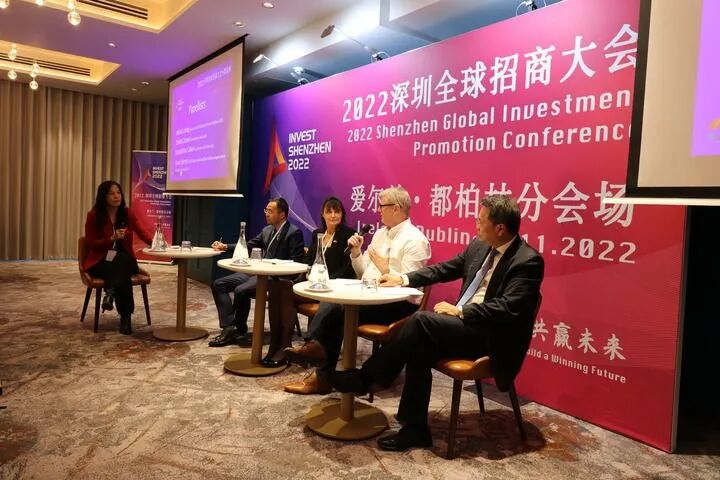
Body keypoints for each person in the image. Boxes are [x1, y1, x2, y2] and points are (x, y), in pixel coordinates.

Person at [326, 195, 544, 452]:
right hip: (465, 328)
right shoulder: (480, 246)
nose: (475, 223)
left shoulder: (527, 261)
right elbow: (443, 269)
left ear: (500, 228)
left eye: (480, 220)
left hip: (491, 337)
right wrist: (403, 279)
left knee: (421, 321)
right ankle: (415, 429)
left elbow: (508, 308)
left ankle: (365, 378)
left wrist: (461, 311)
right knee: (420, 345)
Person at [284, 186, 431, 394]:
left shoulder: (415, 240)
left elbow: (411, 286)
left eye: (382, 206)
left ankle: (318, 362)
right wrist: (356, 253)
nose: (378, 210)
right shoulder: (380, 234)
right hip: (369, 295)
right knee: (333, 300)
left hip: (396, 305)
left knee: (337, 310)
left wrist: (386, 269)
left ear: (396, 208)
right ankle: (317, 358)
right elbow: (364, 273)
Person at [264, 196, 356, 368]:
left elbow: (348, 267)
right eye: (329, 211)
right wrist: (307, 273)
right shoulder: (318, 234)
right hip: (314, 284)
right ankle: (278, 345)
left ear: (342, 214)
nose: (333, 215)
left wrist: (327, 280)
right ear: (323, 214)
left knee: (286, 290)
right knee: (280, 287)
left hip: (334, 287)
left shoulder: (348, 234)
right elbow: (309, 259)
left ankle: (302, 348)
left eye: (337, 211)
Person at [209, 197, 305, 347]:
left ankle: (239, 327)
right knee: (219, 284)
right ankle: (230, 326)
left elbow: (297, 263)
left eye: (270, 211)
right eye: (266, 210)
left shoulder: (294, 233)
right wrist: (225, 246)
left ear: (282, 214)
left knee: (241, 290)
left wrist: (277, 269)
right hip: (258, 273)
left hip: (277, 277)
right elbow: (249, 245)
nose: (266, 213)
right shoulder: (267, 230)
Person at [82, 180, 154, 335]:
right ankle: (125, 318)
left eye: (118, 193)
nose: (116, 196)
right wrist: (111, 239)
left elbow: (142, 231)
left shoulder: (127, 213)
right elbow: (91, 243)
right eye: (112, 193)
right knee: (122, 272)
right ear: (103, 196)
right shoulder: (94, 216)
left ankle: (110, 293)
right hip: (102, 261)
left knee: (122, 260)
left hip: (125, 259)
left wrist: (158, 244)